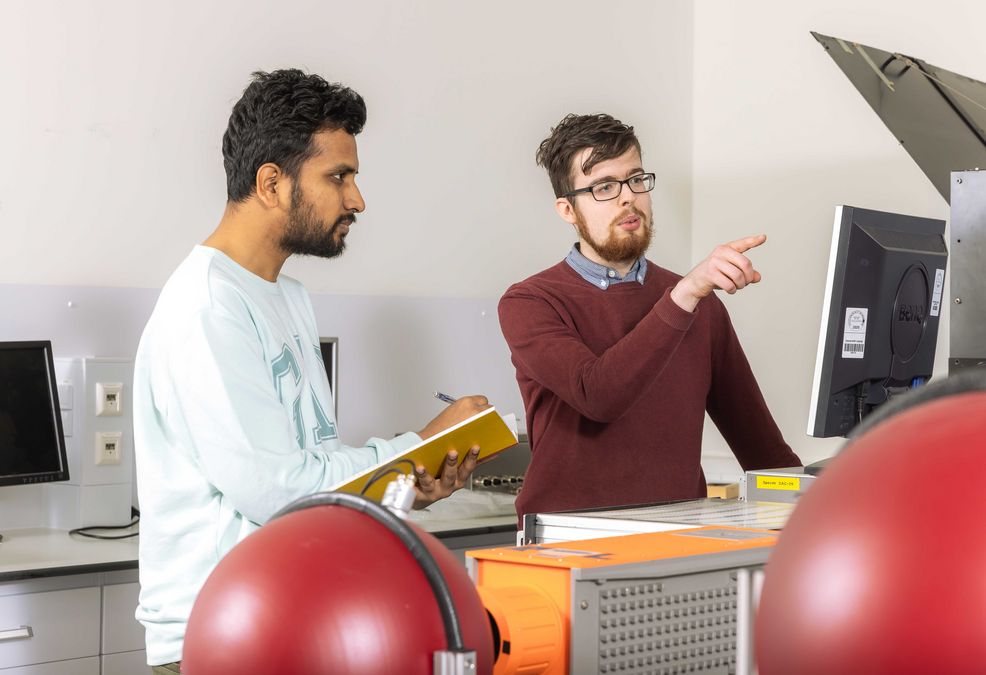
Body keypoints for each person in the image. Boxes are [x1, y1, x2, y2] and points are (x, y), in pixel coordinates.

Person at [132, 69, 488, 672]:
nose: (357, 199)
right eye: (338, 176)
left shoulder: (287, 297)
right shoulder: (206, 304)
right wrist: (415, 446)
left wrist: (409, 485)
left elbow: (311, 466)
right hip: (222, 634)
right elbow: (276, 489)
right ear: (271, 182)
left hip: (292, 613)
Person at [498, 113, 801, 520]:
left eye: (636, 180)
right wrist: (686, 294)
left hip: (675, 539)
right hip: (566, 545)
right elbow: (598, 395)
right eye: (605, 186)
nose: (628, 198)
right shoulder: (531, 302)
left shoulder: (700, 305)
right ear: (567, 209)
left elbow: (761, 449)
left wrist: (826, 503)